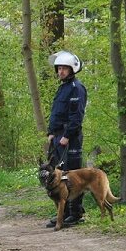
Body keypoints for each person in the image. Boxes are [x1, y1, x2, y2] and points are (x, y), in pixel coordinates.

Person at [46, 51, 88, 228]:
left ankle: (76, 212)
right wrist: (51, 133)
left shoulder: (76, 89)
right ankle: (63, 213)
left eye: (64, 68)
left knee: (73, 175)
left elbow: (76, 117)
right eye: (59, 68)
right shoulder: (63, 88)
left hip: (69, 138)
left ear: (72, 69)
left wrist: (67, 136)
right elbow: (57, 113)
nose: (61, 71)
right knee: (59, 175)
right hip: (58, 137)